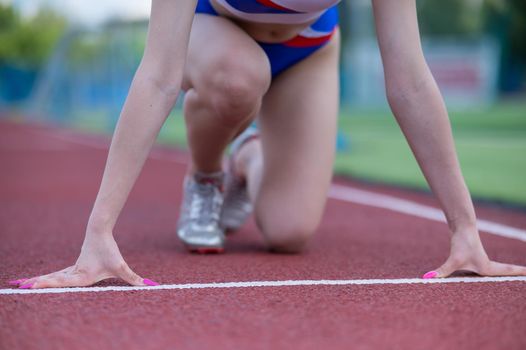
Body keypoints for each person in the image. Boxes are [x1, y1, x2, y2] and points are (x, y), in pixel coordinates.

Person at [9, 0, 525, 290]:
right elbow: (159, 76)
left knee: (290, 230)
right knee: (239, 78)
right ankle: (208, 172)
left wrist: (465, 230)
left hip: (310, 48)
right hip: (215, 36)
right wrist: (98, 233)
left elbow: (409, 79)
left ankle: (247, 157)